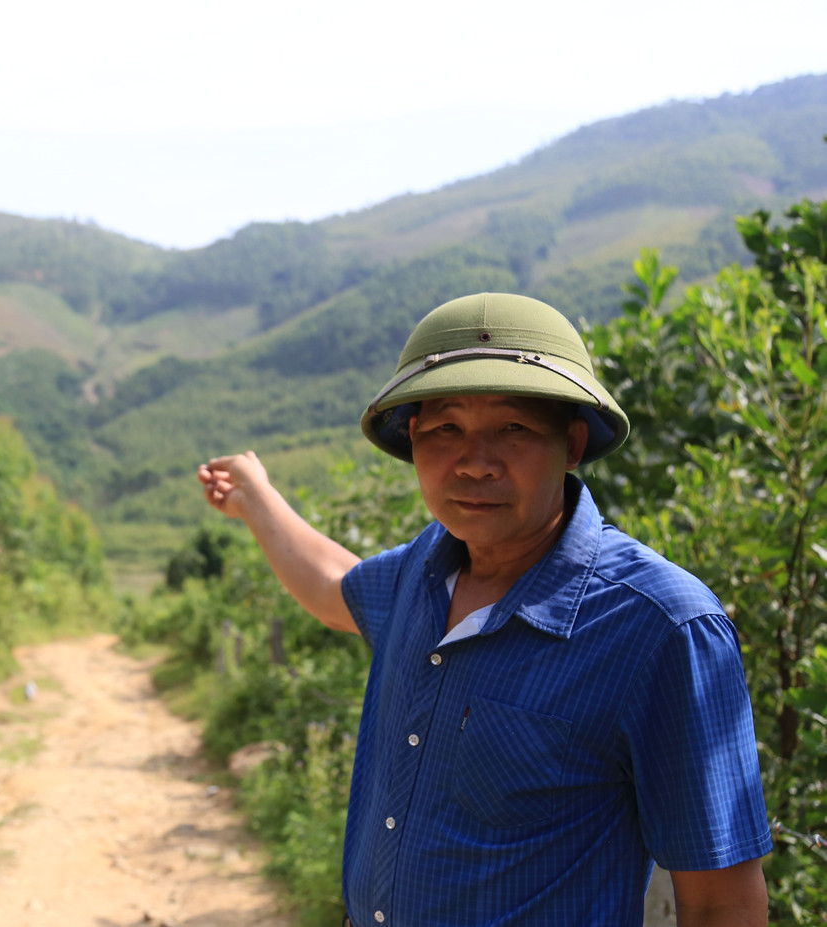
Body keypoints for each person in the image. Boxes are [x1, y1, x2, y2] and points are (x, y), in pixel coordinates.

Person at [197, 293, 772, 927]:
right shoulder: (427, 567)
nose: (474, 463)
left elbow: (724, 904)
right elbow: (336, 588)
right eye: (446, 429)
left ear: (572, 442)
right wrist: (257, 498)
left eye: (514, 429)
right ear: (413, 440)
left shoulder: (659, 627)